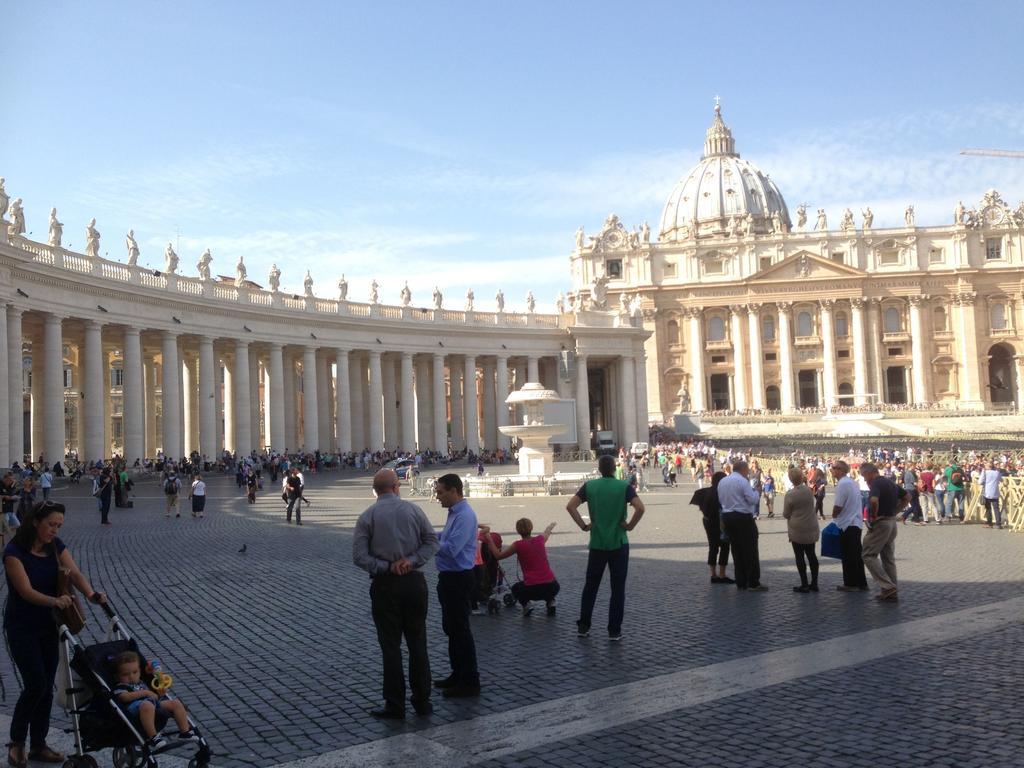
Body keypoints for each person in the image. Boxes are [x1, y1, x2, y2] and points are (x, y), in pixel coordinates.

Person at [4, 501, 107, 766]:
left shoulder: (55, 547)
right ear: (35, 522)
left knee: (46, 687)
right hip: (22, 626)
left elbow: (74, 573)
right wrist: (54, 602)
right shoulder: (14, 552)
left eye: (59, 526)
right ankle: (16, 742)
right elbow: (25, 591)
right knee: (35, 683)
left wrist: (91, 594)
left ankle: (39, 744)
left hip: (51, 625)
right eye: (51, 525)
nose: (55, 530)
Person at [352, 469, 438, 719]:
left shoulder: (367, 516)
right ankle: (423, 701)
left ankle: (395, 704)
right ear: (397, 486)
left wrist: (387, 567)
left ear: (375, 491)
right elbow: (432, 542)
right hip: (413, 583)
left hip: (385, 585)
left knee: (390, 647)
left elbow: (359, 556)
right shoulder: (414, 511)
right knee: (418, 643)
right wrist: (410, 561)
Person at [566, 454, 645, 640]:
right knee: (617, 589)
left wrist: (584, 526)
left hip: (597, 543)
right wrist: (630, 525)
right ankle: (614, 630)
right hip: (619, 543)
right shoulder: (623, 486)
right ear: (613, 469)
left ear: (600, 469)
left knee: (590, 587)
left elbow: (570, 506)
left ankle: (584, 626)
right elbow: (640, 508)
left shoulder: (590, 486)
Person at [432, 474, 481, 697]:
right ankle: (457, 672)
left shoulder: (465, 516)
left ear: (454, 491)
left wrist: (430, 543)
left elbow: (452, 548)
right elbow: (445, 536)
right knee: (451, 629)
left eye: (440, 492)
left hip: (459, 578)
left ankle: (470, 680)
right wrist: (431, 535)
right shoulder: (455, 514)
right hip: (450, 578)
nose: (437, 496)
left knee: (460, 630)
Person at [112, 651, 198, 751]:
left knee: (176, 703)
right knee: (147, 705)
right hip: (134, 708)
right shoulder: (121, 686)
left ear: (139, 671)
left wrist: (159, 694)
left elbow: (154, 696)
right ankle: (153, 737)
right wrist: (145, 693)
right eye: (125, 674)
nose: (131, 676)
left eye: (135, 672)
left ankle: (185, 732)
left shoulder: (140, 682)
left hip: (151, 703)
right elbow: (124, 697)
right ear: (118, 676)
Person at [480, 519, 559, 616]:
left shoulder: (518, 545)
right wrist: (551, 525)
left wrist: (489, 539)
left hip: (532, 588)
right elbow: (547, 532)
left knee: (516, 588)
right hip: (553, 587)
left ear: (518, 530)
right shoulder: (540, 539)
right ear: (531, 528)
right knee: (547, 584)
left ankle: (527, 605)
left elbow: (498, 556)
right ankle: (551, 602)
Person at [717, 460, 766, 591]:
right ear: (743, 470)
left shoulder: (723, 481)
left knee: (736, 549)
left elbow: (721, 500)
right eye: (747, 470)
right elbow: (752, 499)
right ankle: (753, 582)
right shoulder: (742, 481)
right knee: (750, 550)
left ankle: (741, 581)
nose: (748, 473)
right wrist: (757, 491)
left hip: (728, 517)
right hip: (742, 517)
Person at [859, 463, 900, 601]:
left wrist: (874, 515)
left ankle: (888, 586)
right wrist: (896, 511)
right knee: (888, 557)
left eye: (864, 476)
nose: (865, 480)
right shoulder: (890, 482)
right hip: (892, 521)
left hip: (881, 523)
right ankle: (891, 591)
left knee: (868, 555)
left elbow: (874, 500)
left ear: (870, 473)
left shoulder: (876, 484)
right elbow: (907, 497)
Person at [831, 460, 868, 592]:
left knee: (848, 556)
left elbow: (838, 506)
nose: (832, 470)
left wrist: (834, 515)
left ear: (840, 470)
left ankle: (851, 583)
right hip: (856, 522)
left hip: (847, 523)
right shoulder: (852, 482)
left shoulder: (842, 484)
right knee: (857, 555)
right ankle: (861, 582)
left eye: (834, 468)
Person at [690, 471, 733, 584]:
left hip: (707, 521)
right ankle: (722, 574)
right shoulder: (722, 493)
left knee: (713, 547)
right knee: (724, 546)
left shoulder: (704, 492)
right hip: (720, 523)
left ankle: (713, 574)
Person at [783, 468, 819, 593]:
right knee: (812, 555)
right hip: (811, 526)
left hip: (797, 528)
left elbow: (786, 514)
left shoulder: (790, 494)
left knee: (799, 556)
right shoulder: (809, 491)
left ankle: (804, 584)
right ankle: (814, 583)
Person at [980, 461, 1004, 529]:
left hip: (987, 493)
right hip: (995, 492)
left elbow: (980, 482)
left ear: (987, 467)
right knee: (996, 509)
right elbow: (1001, 480)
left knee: (988, 508)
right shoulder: (997, 472)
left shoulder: (985, 472)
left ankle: (989, 523)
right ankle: (998, 524)